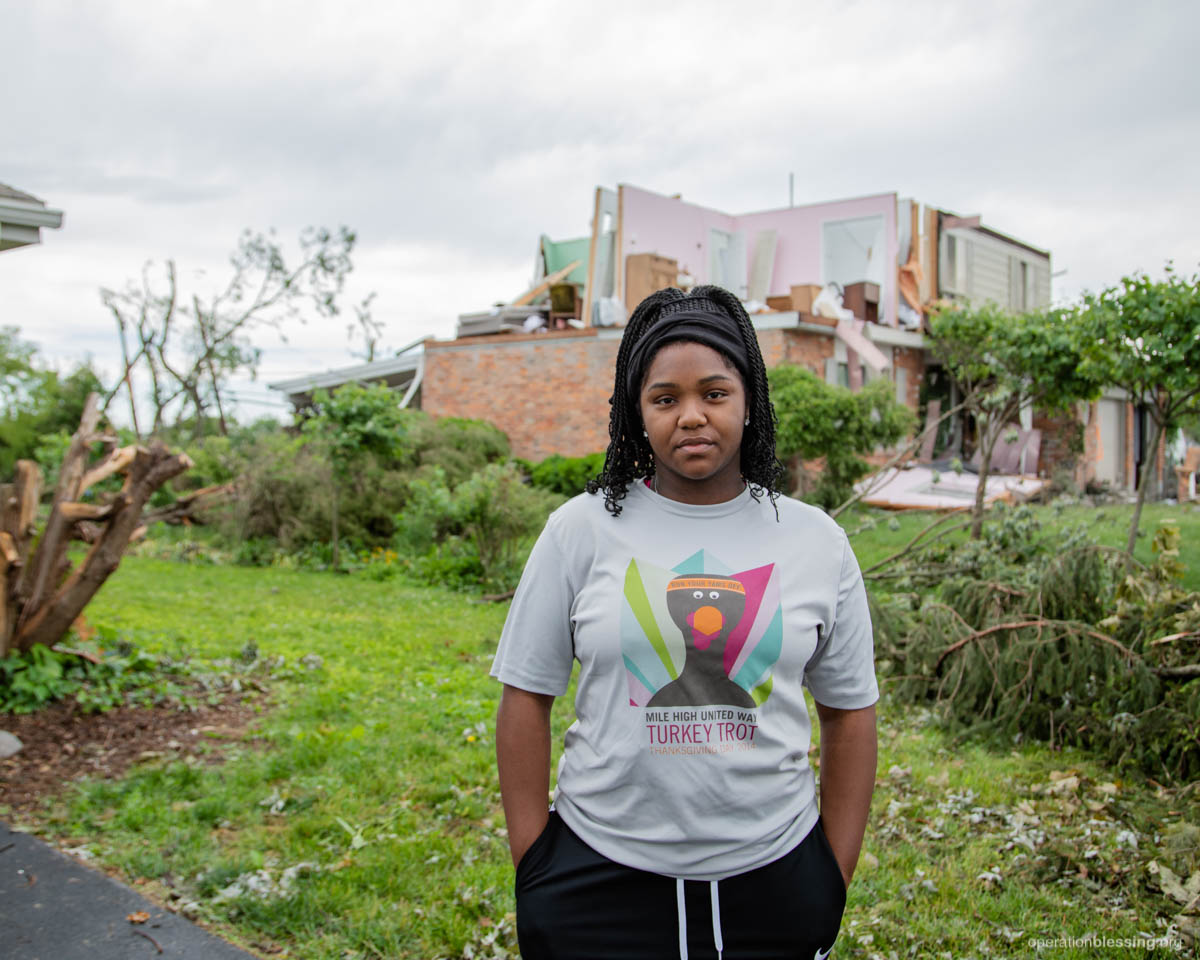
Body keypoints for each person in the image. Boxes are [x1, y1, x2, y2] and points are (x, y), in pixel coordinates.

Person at [492, 286, 878, 959]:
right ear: (636, 413)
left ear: (750, 400)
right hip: (596, 877)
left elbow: (850, 713)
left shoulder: (815, 541)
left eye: (715, 393)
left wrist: (830, 878)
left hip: (776, 877)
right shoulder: (580, 530)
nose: (692, 415)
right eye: (665, 398)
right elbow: (526, 696)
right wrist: (536, 867)